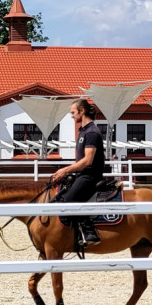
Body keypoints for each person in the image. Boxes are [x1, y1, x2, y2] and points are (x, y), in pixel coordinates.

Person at [52, 98, 106, 246]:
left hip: (90, 175)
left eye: (73, 112)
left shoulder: (92, 133)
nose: (71, 116)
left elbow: (88, 160)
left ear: (82, 111)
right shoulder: (83, 131)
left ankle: (90, 232)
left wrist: (65, 170)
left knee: (69, 200)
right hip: (82, 174)